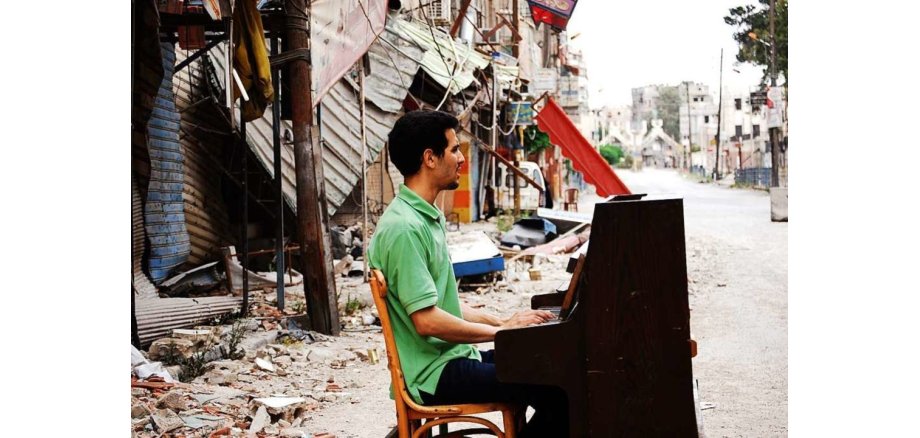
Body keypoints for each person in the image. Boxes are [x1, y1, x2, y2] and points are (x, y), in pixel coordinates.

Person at [368, 110, 569, 437]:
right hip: (433, 374)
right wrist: (501, 333)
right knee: (558, 389)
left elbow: (443, 305)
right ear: (430, 159)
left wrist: (502, 322)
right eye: (454, 150)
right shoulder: (404, 228)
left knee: (548, 366)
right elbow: (427, 320)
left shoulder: (423, 217)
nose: (462, 159)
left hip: (449, 358)